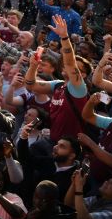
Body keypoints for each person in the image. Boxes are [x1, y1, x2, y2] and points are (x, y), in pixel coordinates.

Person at [24, 15, 89, 143]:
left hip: (70, 146)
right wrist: (32, 67)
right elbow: (30, 86)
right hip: (54, 142)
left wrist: (64, 37)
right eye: (66, 65)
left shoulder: (79, 89)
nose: (68, 67)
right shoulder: (58, 85)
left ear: (84, 75)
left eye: (76, 68)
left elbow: (70, 62)